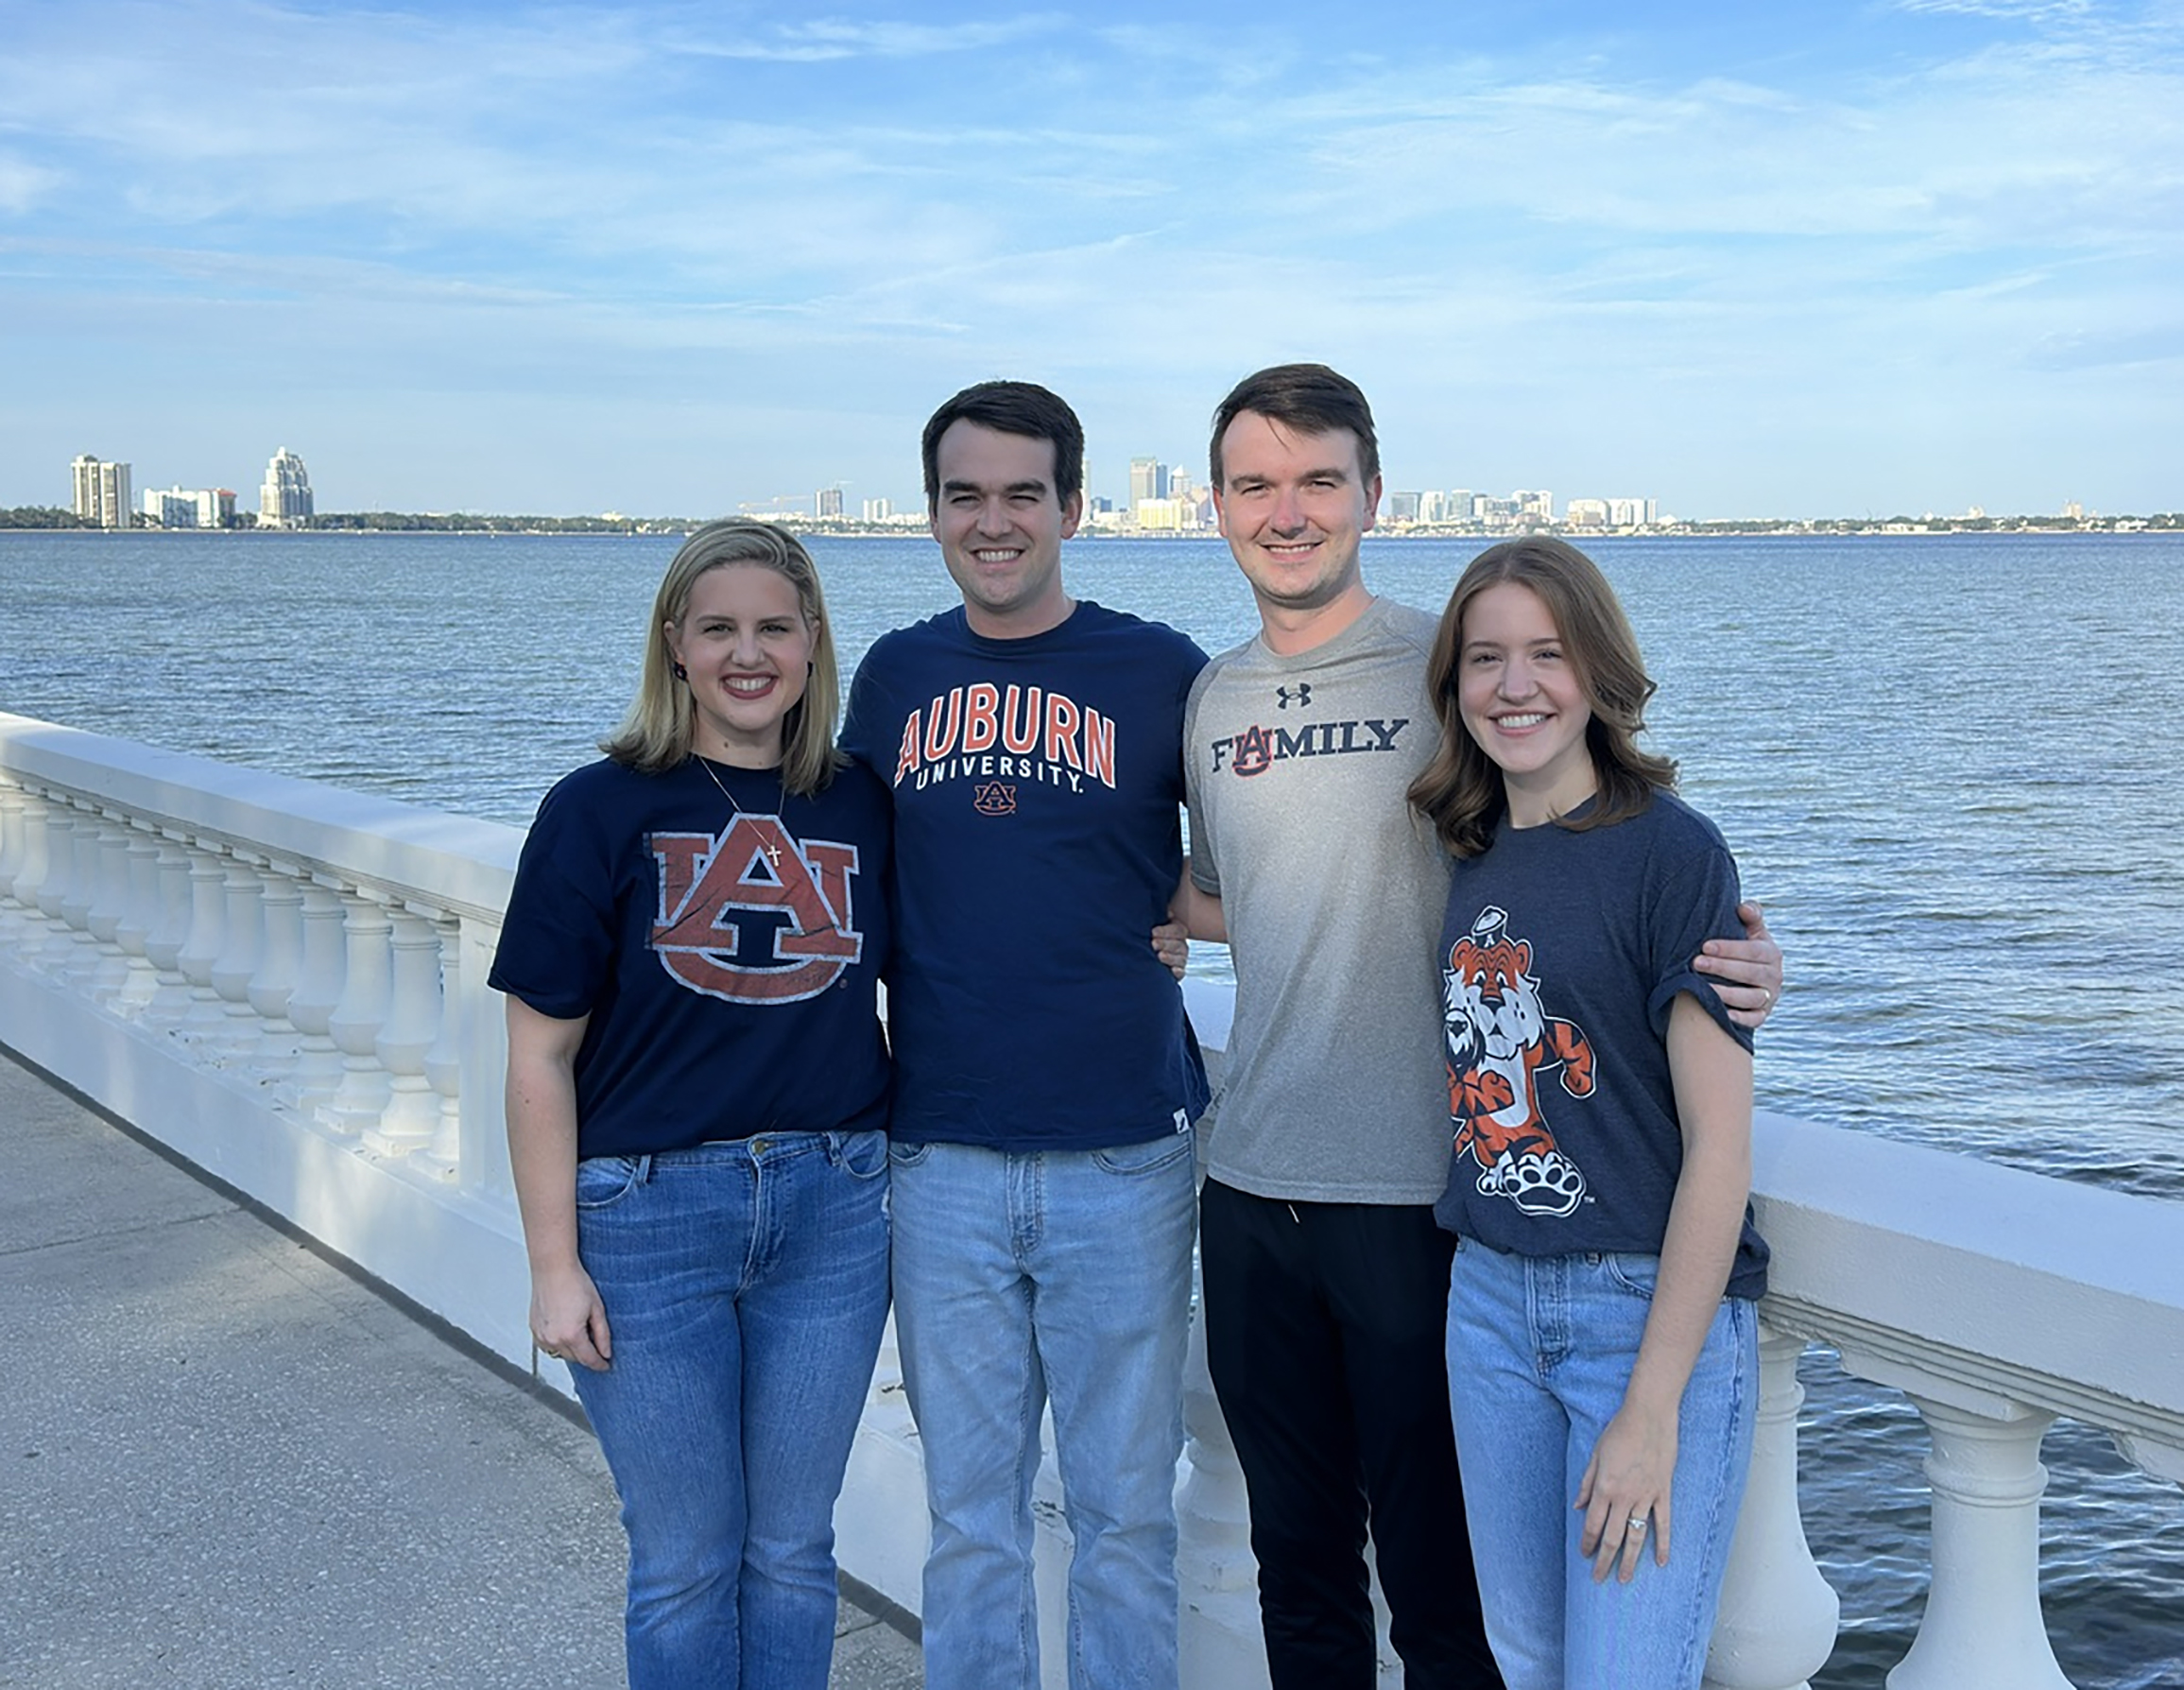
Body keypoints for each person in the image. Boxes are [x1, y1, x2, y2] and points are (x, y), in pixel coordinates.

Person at [1173, 364, 1782, 1690]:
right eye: (1253, 483)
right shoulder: (1208, 701)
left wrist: (1728, 960)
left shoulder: (1438, 666)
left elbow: (1598, 868)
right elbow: (1235, 897)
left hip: (1422, 1206)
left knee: (1448, 1603)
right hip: (1248, 1187)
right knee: (1300, 1569)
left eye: (1318, 479)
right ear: (1212, 505)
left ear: (1370, 494)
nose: (1286, 511)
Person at [839, 380, 1209, 1690]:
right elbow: (838, 880)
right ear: (932, 512)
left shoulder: (1158, 670)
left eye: (1018, 495)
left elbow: (1245, 870)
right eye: (963, 496)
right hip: (939, 1154)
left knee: (1122, 1517)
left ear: (1070, 507)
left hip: (1123, 1155)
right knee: (970, 1525)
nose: (990, 522)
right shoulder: (892, 676)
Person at [491, 520, 893, 1690]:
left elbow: (952, 965)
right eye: (718, 628)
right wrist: (552, 1265)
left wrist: (1156, 929)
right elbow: (537, 1056)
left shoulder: (861, 805)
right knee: (682, 1559)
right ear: (674, 646)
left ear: (814, 645)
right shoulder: (596, 809)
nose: (747, 653)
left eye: (774, 626)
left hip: (834, 1209)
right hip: (645, 1219)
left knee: (792, 1548)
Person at [1409, 536, 1766, 1688]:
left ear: (1597, 673)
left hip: (1638, 1317)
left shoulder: (1669, 851)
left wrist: (1652, 1406)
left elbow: (1718, 1146)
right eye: (1485, 659)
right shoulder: (1461, 853)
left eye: (1546, 655)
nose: (1514, 687)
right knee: (1527, 1660)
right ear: (1454, 686)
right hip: (1488, 1305)